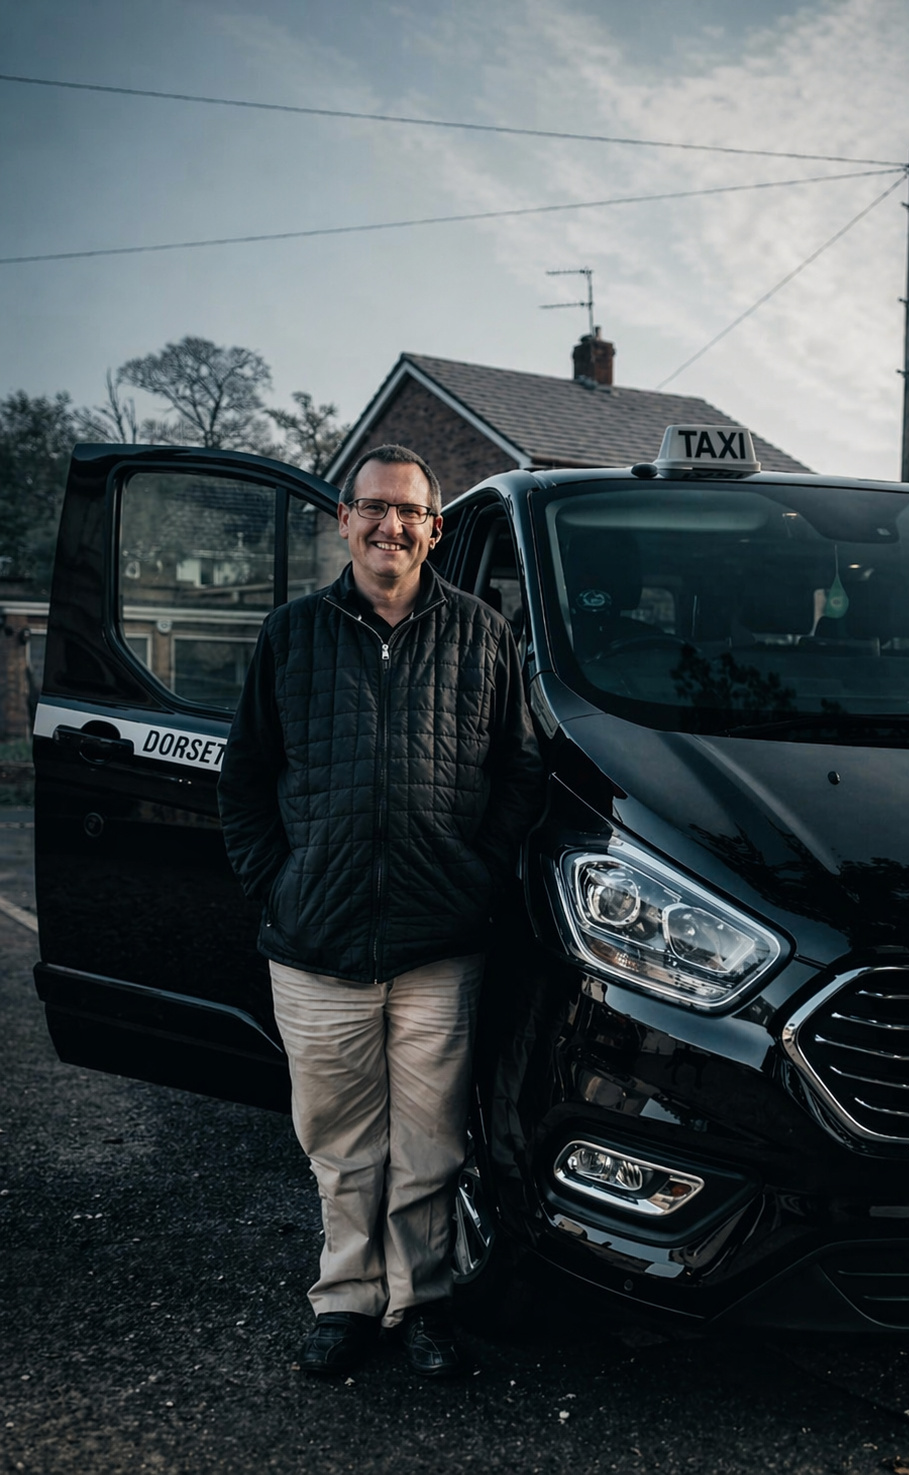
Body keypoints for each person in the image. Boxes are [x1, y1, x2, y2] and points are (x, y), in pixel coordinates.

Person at [217, 443, 543, 1379]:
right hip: (316, 944)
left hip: (440, 946)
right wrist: (279, 883)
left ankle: (422, 1302)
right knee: (340, 1142)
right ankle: (348, 1301)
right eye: (372, 507)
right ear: (344, 519)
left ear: (434, 528)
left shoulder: (484, 636)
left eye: (408, 511)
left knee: (433, 1142)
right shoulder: (291, 635)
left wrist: (478, 877)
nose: (389, 524)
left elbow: (519, 775)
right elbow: (245, 785)